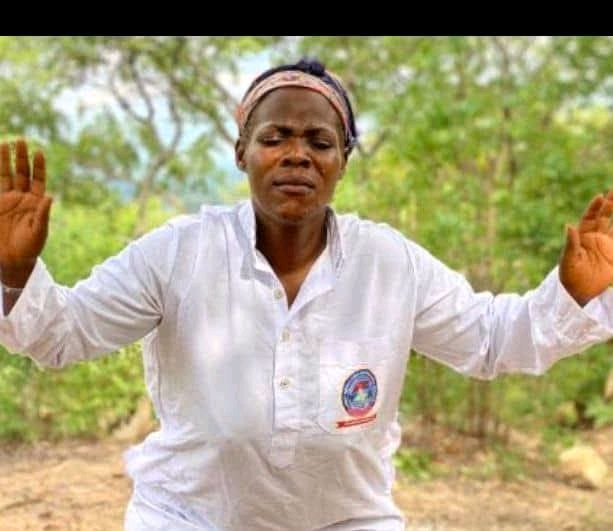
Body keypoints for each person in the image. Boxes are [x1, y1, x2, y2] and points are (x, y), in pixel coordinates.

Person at [1, 57, 613, 531]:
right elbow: (62, 336)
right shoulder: (178, 252)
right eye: (275, 138)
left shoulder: (389, 263)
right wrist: (15, 270)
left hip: (349, 519)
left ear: (343, 159)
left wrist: (572, 292)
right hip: (188, 517)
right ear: (242, 152)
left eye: (320, 142)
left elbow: (493, 341)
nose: (297, 154)